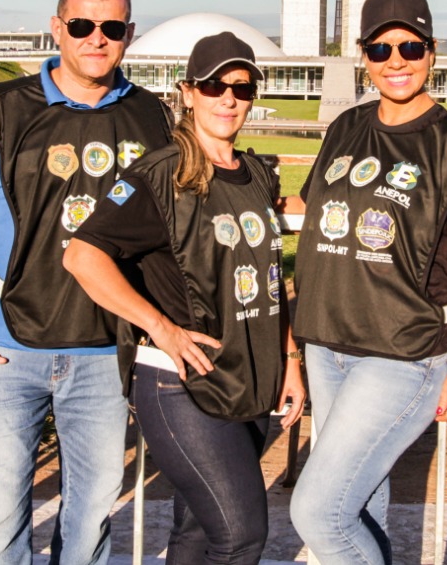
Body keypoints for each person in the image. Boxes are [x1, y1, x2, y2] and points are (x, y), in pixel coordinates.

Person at [0, 0, 173, 565]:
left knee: (91, 516)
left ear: (129, 34)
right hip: (4, 347)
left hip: (104, 349)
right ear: (57, 28)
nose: (97, 39)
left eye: (112, 28)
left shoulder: (153, 118)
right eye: (82, 25)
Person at [64, 32, 306, 565]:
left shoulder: (259, 175)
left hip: (251, 377)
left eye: (240, 88)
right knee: (241, 535)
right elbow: (81, 257)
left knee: (198, 534)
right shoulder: (159, 174)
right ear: (188, 93)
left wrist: (289, 358)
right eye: (214, 85)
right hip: (181, 382)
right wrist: (160, 326)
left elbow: (264, 276)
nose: (228, 98)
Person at [287, 0, 447, 565]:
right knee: (357, 509)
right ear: (363, 56)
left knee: (317, 512)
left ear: (431, 53)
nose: (395, 60)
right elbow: (315, 212)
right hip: (328, 346)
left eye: (410, 46)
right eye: (380, 48)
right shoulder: (346, 127)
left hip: (401, 353)